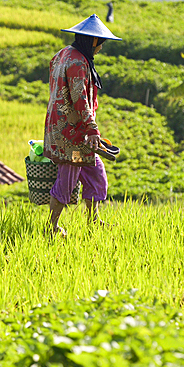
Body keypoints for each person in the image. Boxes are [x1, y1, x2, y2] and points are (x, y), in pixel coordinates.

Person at [43, 14, 121, 238]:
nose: (101, 49)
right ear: (93, 41)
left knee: (96, 174)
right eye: (101, 44)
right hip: (72, 137)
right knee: (67, 179)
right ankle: (52, 226)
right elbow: (80, 98)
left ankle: (94, 220)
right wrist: (92, 127)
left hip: (73, 133)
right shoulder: (77, 62)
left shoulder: (63, 55)